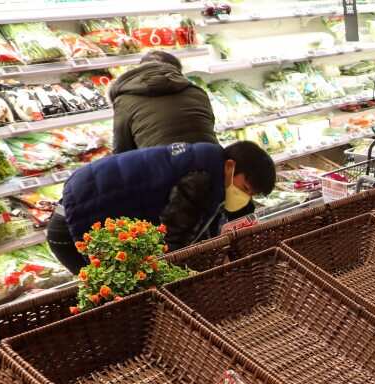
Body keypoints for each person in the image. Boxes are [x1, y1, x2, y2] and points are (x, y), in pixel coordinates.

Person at [47, 141, 275, 273]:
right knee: (111, 294)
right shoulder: (202, 179)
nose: (244, 197)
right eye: (245, 187)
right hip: (72, 223)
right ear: (230, 166)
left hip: (79, 203)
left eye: (251, 194)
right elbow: (174, 239)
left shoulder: (208, 163)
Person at [109, 50, 217, 153]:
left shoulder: (124, 100)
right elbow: (208, 127)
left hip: (161, 166)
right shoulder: (197, 92)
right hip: (210, 158)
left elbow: (122, 149)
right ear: (176, 71)